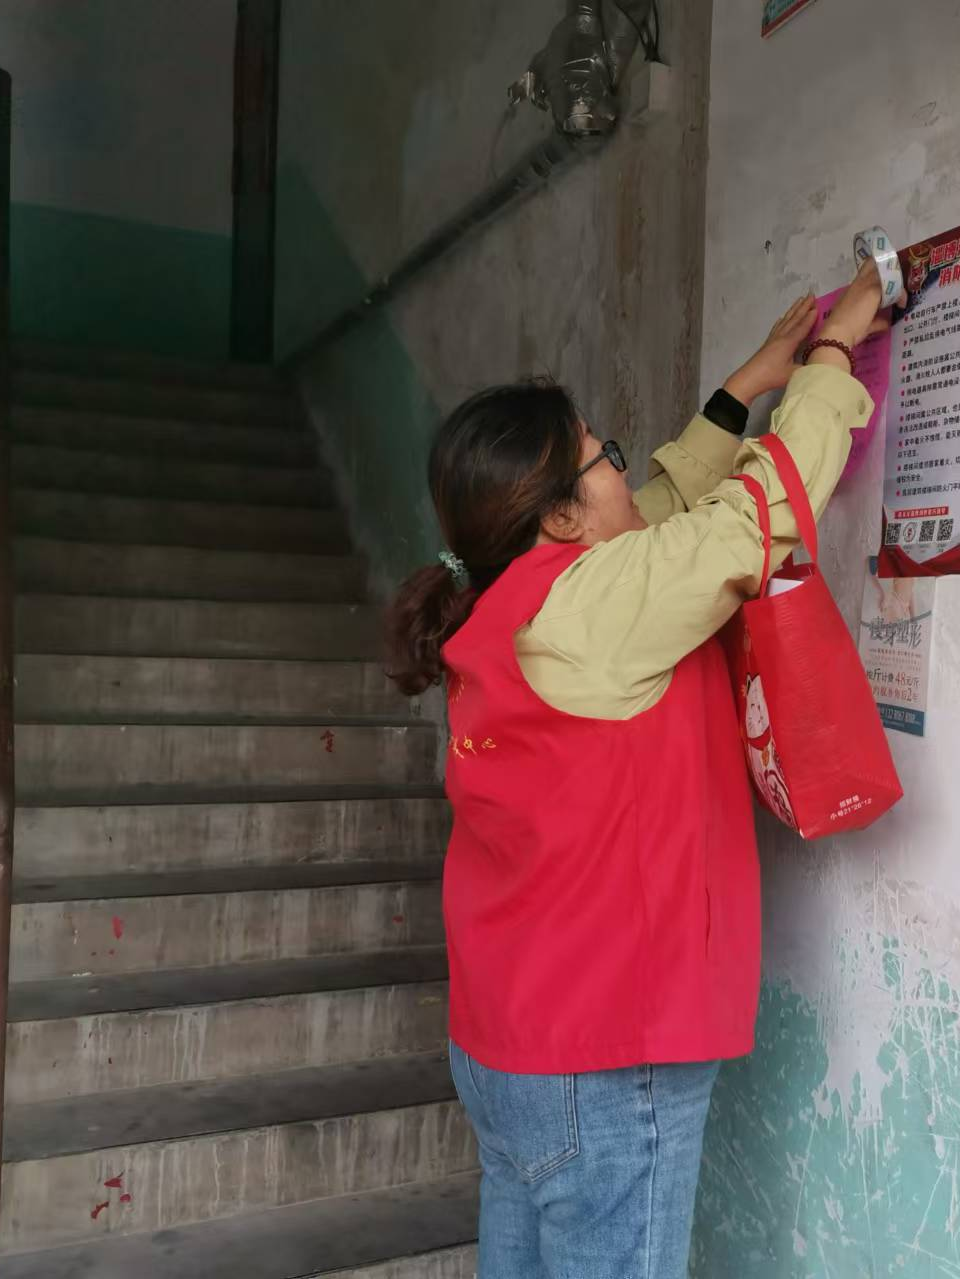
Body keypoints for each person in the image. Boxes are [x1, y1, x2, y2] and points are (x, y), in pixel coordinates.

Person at [384, 258, 897, 1278]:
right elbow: (753, 521)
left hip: (510, 1045)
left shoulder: (508, 596)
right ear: (558, 518)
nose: (623, 469)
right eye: (602, 455)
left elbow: (657, 512)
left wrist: (742, 390)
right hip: (604, 1062)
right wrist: (835, 354)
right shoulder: (594, 604)